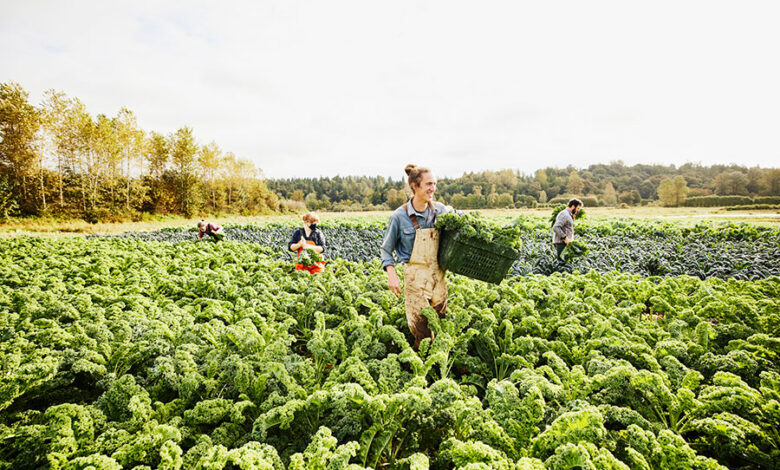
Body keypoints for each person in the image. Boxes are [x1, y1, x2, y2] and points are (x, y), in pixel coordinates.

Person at [381, 164, 463, 349]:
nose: (432, 188)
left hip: (438, 275)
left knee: (440, 322)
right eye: (428, 184)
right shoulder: (399, 217)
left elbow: (462, 218)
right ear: (415, 187)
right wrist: (391, 274)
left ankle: (440, 362)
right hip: (415, 277)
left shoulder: (440, 210)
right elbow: (386, 249)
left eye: (434, 184)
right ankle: (421, 366)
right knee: (422, 328)